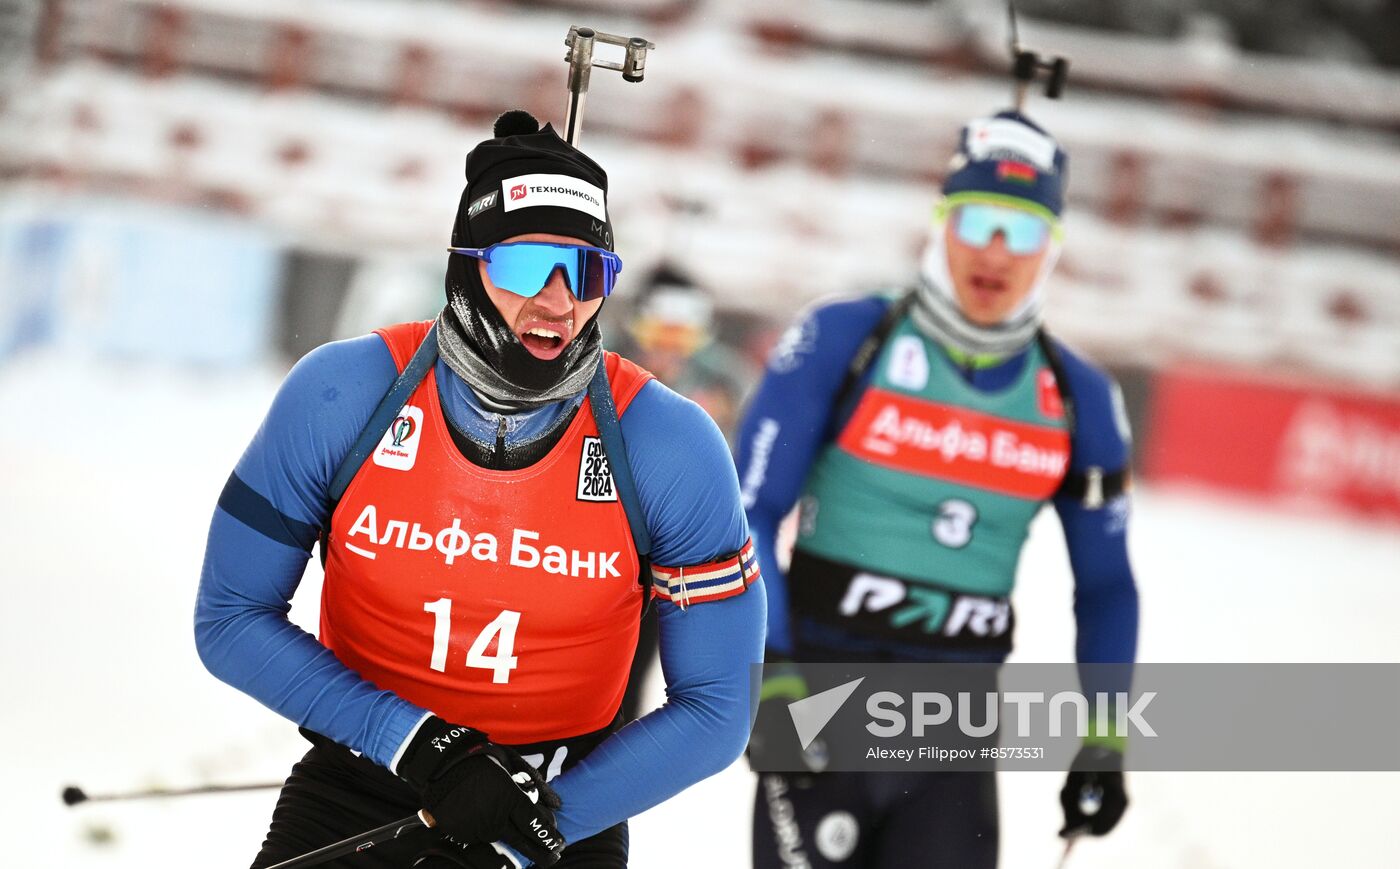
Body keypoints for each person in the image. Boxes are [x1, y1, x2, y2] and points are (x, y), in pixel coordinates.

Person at [196, 110, 765, 869]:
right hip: (360, 780)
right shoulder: (345, 394)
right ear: (467, 264)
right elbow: (229, 618)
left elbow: (719, 709)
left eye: (588, 273)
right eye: (530, 267)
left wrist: (541, 819)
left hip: (555, 811)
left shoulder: (669, 443)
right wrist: (416, 743)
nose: (560, 303)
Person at [736, 109, 1139, 868]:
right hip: (819, 699)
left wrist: (1106, 738)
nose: (995, 253)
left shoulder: (1077, 395)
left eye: (1021, 231)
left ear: (1050, 248)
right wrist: (771, 668)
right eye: (977, 221)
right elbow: (744, 513)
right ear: (941, 224)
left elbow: (1109, 585)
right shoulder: (846, 339)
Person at [609, 263, 757, 721]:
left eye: (684, 338)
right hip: (594, 549)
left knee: (633, 682)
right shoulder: (598, 367)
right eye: (659, 334)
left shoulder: (721, 383)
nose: (669, 351)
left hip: (666, 559)